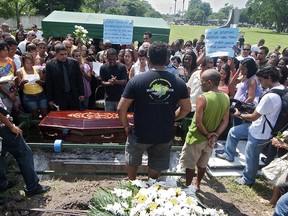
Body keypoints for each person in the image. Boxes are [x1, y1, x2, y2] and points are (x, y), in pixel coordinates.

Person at [117, 41, 191, 180]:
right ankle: (151, 185)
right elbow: (186, 108)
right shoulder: (178, 82)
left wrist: (126, 126)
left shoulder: (136, 81)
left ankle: (132, 183)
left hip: (140, 131)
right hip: (164, 133)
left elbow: (121, 108)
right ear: (167, 59)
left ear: (149, 58)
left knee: (133, 159)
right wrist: (173, 117)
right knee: (157, 164)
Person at [216, 65, 284, 186]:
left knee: (251, 156)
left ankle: (248, 180)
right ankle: (229, 154)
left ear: (268, 78)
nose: (260, 83)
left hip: (260, 132)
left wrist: (239, 114)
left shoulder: (270, 96)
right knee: (234, 132)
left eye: (261, 80)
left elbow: (253, 117)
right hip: (260, 127)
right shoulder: (282, 89)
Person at [179, 69, 230, 189]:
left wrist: (207, 134)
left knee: (190, 165)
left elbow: (198, 122)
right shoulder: (225, 98)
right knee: (203, 164)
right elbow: (225, 121)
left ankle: (188, 187)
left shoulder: (202, 98)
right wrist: (215, 135)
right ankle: (198, 185)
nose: (200, 83)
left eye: (201, 81)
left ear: (209, 82)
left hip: (196, 137)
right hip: (211, 141)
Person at [0, 98, 50, 197]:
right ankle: (32, 187)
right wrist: (11, 126)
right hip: (3, 128)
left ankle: (2, 185)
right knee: (24, 153)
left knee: (1, 158)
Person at [45, 43, 84, 110]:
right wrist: (50, 99)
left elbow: (79, 79)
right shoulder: (50, 65)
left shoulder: (74, 63)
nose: (64, 56)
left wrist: (81, 93)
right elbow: (49, 83)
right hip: (59, 96)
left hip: (73, 95)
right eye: (61, 54)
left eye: (65, 54)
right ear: (56, 54)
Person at [16, 53, 48, 119]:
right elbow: (20, 88)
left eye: (31, 62)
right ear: (23, 63)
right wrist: (22, 83)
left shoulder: (38, 70)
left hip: (41, 94)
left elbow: (44, 83)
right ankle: (37, 129)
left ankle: (45, 128)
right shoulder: (19, 72)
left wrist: (40, 82)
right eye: (27, 63)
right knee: (34, 114)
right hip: (29, 96)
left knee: (45, 113)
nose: (29, 65)